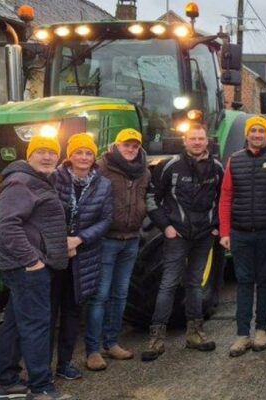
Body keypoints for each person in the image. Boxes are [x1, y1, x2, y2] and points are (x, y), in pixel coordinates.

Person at [0, 135, 76, 400]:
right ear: (29, 155)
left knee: (16, 323)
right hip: (27, 267)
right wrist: (33, 260)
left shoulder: (39, 180)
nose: (47, 157)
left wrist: (59, 243)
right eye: (40, 151)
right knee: (37, 325)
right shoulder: (21, 182)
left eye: (52, 152)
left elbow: (37, 223)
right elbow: (7, 225)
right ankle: (41, 387)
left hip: (28, 264)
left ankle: (7, 382)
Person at [143, 123, 224, 361]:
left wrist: (216, 226)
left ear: (207, 141)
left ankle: (195, 333)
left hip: (204, 235)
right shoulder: (170, 166)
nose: (197, 142)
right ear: (185, 141)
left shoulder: (216, 168)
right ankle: (157, 338)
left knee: (194, 284)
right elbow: (152, 198)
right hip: (176, 235)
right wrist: (165, 227)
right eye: (193, 138)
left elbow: (224, 198)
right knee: (168, 284)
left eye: (201, 138)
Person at [219, 116, 266, 357]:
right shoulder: (235, 160)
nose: (257, 135)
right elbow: (226, 198)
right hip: (240, 233)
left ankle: (261, 331)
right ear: (247, 135)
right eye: (254, 131)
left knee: (264, 281)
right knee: (244, 282)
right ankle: (242, 335)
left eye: (262, 131)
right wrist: (225, 232)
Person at [84, 128, 151, 371]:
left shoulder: (144, 171)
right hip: (106, 239)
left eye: (134, 146)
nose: (130, 150)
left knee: (120, 294)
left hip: (131, 239)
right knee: (100, 295)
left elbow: (146, 197)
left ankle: (111, 342)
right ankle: (93, 350)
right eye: (126, 145)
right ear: (117, 145)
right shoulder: (102, 167)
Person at [48, 133, 112, 380]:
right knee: (49, 312)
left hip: (84, 256)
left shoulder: (102, 184)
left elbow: (106, 219)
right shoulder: (55, 178)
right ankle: (42, 368)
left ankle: (64, 364)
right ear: (69, 155)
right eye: (79, 152)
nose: (83, 157)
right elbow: (48, 213)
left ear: (94, 157)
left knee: (72, 313)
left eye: (88, 153)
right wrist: (63, 240)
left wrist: (79, 239)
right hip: (55, 253)